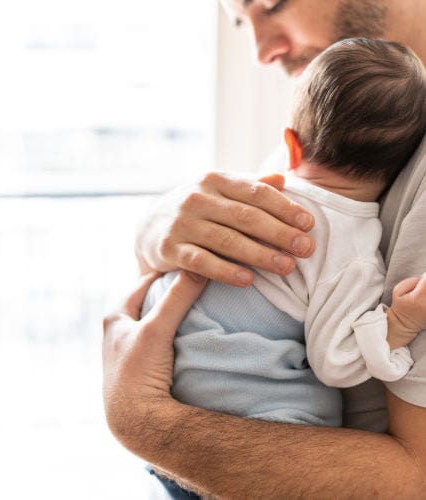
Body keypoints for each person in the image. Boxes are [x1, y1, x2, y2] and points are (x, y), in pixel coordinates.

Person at [103, 0, 426, 497]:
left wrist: (140, 419)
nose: (259, 50)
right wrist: (156, 228)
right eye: (240, 21)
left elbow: (415, 478)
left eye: (271, 4)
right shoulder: (345, 124)